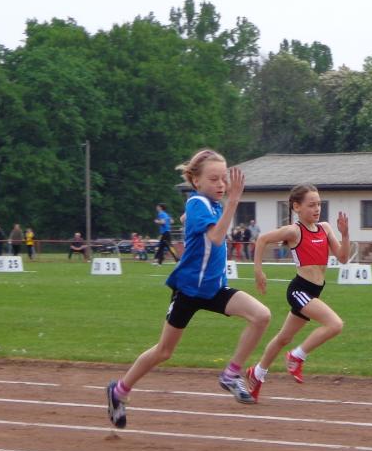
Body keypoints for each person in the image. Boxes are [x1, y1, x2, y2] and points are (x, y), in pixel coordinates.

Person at [106, 148, 271, 429]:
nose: (221, 184)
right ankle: (118, 391)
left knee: (261, 316)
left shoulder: (210, 205)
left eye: (224, 179)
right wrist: (233, 201)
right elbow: (216, 237)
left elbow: (192, 221)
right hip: (189, 291)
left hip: (214, 289)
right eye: (214, 179)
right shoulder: (198, 203)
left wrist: (197, 216)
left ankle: (231, 374)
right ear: (196, 181)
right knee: (164, 351)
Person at [246, 183, 350, 401]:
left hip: (314, 291)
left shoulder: (325, 228)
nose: (317, 208)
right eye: (311, 205)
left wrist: (345, 234)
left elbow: (342, 258)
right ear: (296, 207)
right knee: (335, 324)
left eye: (319, 204)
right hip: (300, 290)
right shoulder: (295, 231)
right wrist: (258, 271)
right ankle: (296, 356)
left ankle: (257, 373)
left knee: (283, 338)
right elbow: (263, 239)